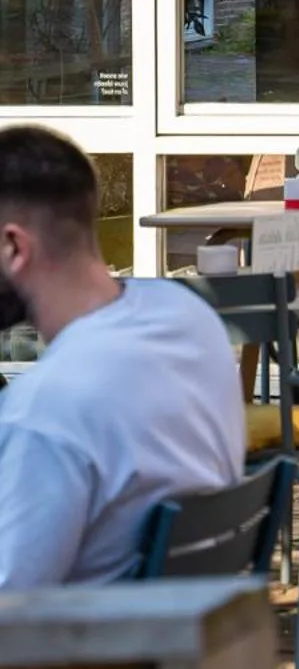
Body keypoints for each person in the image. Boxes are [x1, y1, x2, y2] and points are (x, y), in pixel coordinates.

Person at [0, 126, 246, 587]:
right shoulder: (189, 316)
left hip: (90, 645)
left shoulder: (44, 410)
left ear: (15, 247)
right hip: (187, 631)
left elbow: (11, 609)